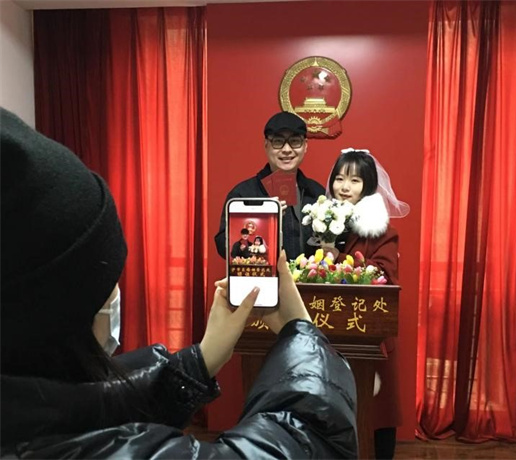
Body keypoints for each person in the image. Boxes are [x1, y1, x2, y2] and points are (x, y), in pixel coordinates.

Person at [0, 108, 358, 459]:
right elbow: (308, 441)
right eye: (110, 278)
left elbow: (101, 403)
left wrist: (201, 361)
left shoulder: (37, 414)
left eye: (295, 141)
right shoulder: (244, 191)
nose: (117, 292)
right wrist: (302, 330)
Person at [324, 148, 410, 460]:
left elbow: (384, 274)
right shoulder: (324, 224)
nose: (344, 187)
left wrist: (337, 260)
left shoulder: (383, 231)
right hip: (332, 331)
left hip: (369, 333)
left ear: (368, 186)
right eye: (339, 179)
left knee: (378, 410)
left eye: (354, 180)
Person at [215, 111, 324, 260]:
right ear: (266, 145)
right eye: (278, 142)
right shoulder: (243, 194)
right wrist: (262, 219)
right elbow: (223, 246)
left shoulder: (317, 193)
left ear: (305, 146)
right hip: (261, 274)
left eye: (295, 141)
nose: (287, 149)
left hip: (308, 274)